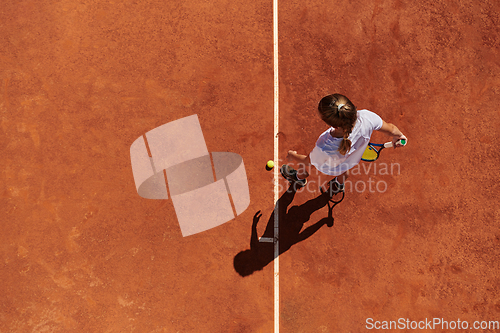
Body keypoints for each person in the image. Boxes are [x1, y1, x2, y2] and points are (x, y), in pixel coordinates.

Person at [281, 93, 407, 194]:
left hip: (330, 167)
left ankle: (299, 178)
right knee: (344, 170)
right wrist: (400, 135)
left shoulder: (325, 145)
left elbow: (308, 162)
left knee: (306, 164)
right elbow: (391, 129)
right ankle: (338, 185)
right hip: (350, 161)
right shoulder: (367, 117)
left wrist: (292, 156)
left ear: (333, 125)